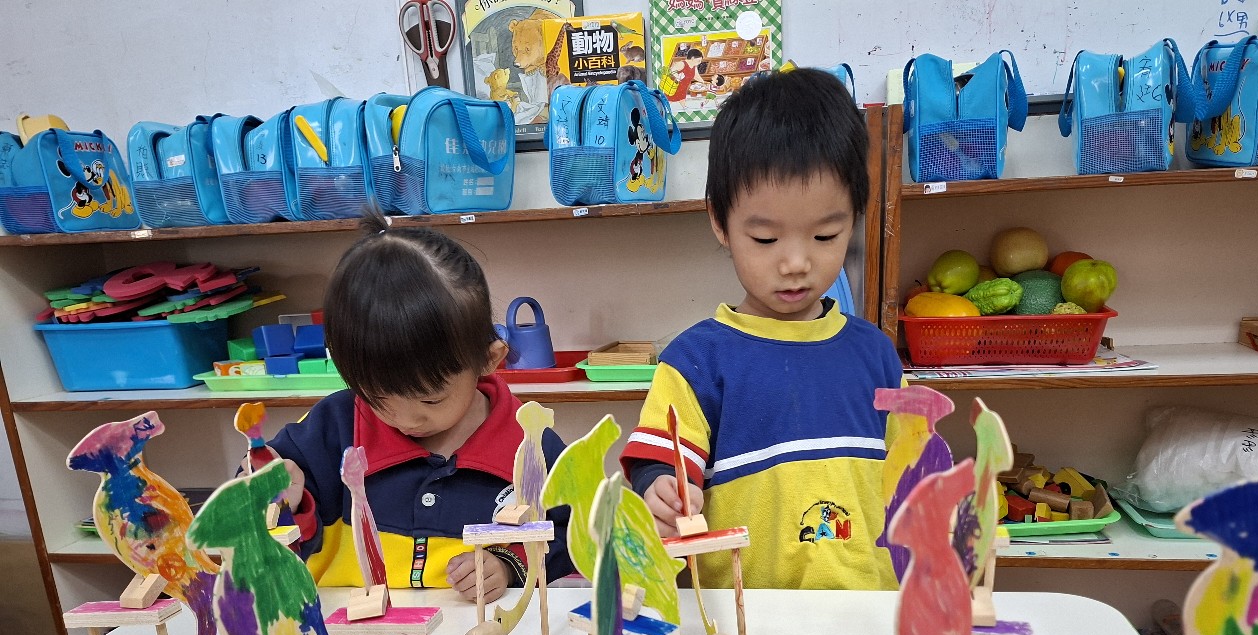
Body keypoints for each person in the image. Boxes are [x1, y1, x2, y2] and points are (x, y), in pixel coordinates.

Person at [621, 68, 904, 590]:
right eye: (766, 240)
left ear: (854, 218)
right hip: (746, 615)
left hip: (868, 610)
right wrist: (660, 490)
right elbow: (657, 464)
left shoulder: (877, 356)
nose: (796, 263)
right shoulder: (696, 362)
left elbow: (912, 476)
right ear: (720, 222)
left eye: (825, 235)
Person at [261, 209, 573, 603]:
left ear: (489, 359)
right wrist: (276, 498)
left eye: (430, 398)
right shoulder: (331, 428)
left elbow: (569, 533)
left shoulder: (530, 443)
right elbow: (279, 532)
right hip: (346, 633)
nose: (406, 420)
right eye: (377, 398)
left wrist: (510, 564)